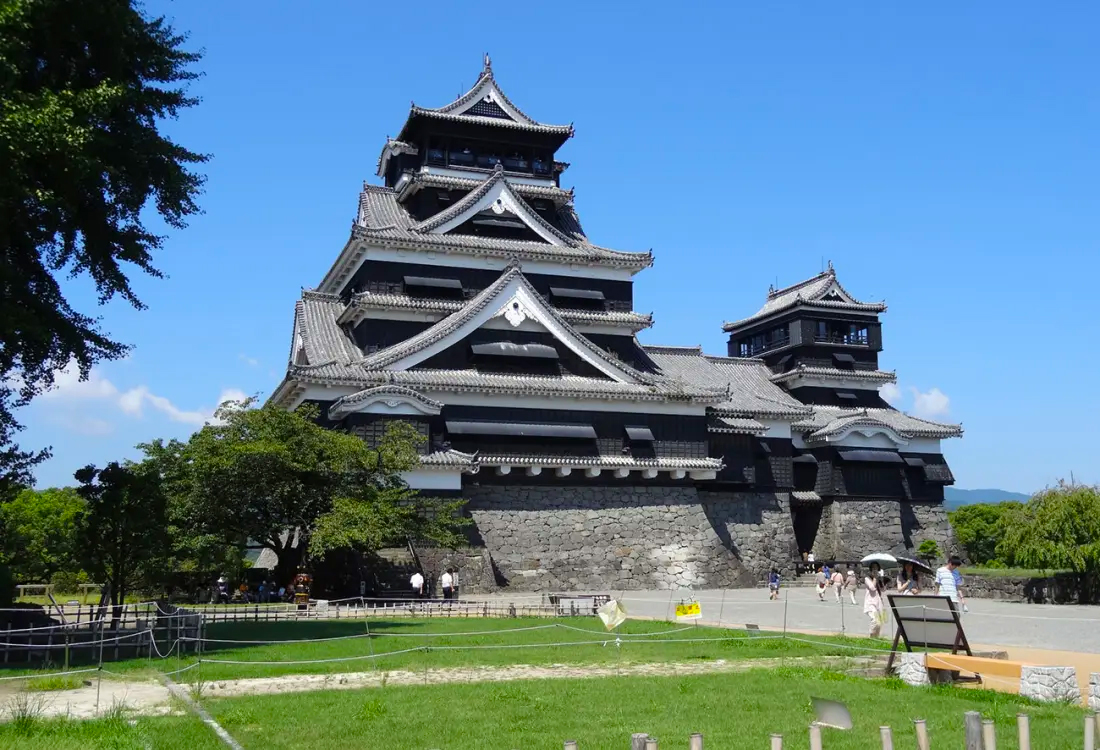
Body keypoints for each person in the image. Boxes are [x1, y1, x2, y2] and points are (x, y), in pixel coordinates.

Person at [864, 562, 888, 637]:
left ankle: (876, 637)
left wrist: (883, 581)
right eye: (873, 568)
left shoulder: (878, 578)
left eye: (876, 568)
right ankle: (871, 636)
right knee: (875, 620)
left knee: (881, 621)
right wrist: (874, 578)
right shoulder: (867, 578)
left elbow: (883, 589)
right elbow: (872, 588)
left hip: (879, 602)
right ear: (871, 569)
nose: (875, 569)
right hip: (870, 602)